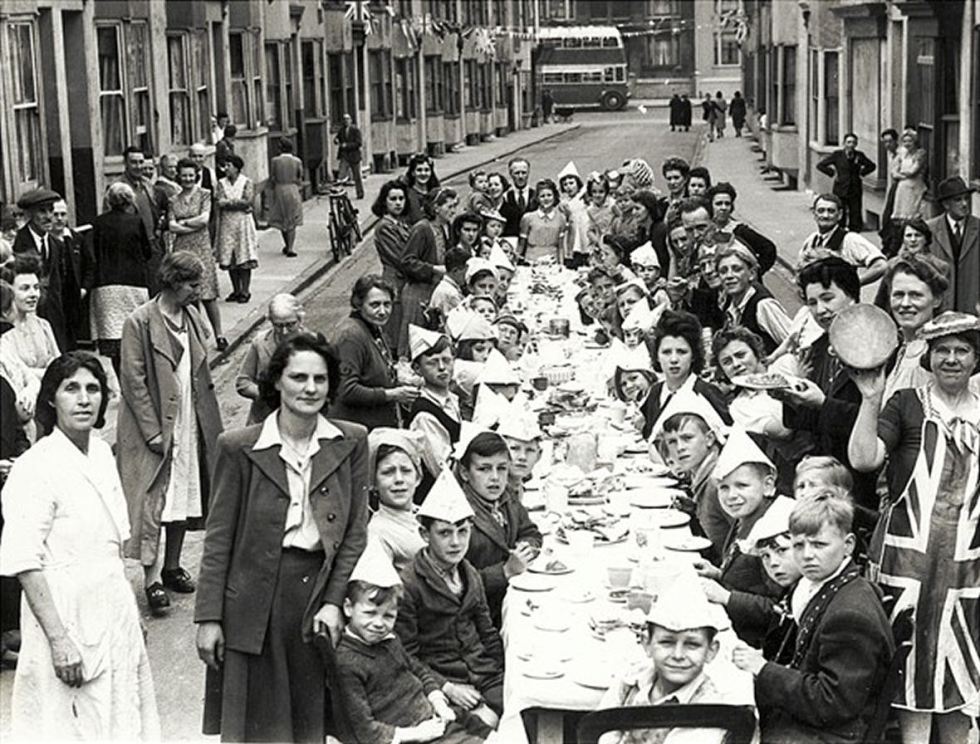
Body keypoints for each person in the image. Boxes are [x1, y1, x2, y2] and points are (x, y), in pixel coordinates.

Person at [195, 332, 369, 743]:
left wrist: (333, 603)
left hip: (315, 597)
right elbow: (218, 539)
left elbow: (355, 533)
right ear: (276, 382)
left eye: (320, 379)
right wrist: (208, 618)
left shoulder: (351, 441)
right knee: (259, 728)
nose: (310, 388)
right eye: (298, 377)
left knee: (312, 722)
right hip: (255, 603)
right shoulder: (238, 447)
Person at [0, 352, 160, 739]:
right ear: (51, 400)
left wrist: (128, 607)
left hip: (111, 606)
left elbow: (112, 542)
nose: (84, 399)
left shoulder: (103, 454)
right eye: (71, 389)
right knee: (69, 724)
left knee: (123, 716)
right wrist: (59, 640)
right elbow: (25, 559)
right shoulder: (34, 466)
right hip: (63, 614)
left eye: (93, 389)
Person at [848, 311, 979, 744]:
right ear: (929, 357)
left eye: (962, 350)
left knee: (962, 679)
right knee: (912, 679)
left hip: (968, 568)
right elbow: (864, 460)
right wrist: (870, 399)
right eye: (942, 350)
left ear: (976, 360)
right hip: (908, 566)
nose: (952, 359)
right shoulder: (906, 404)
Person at [733, 491, 894, 744]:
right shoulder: (830, 585)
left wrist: (764, 670)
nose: (807, 555)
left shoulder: (849, 615)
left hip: (834, 733)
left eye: (819, 544)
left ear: (848, 545)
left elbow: (833, 704)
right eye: (799, 545)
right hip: (820, 717)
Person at [118, 251, 223, 614]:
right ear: (174, 283)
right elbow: (132, 381)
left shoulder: (191, 315)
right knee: (154, 503)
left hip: (189, 421)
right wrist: (150, 432)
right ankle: (150, 579)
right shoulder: (140, 321)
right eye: (194, 285)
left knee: (184, 495)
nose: (199, 291)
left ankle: (173, 565)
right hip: (157, 426)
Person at [335, 543, 489, 743]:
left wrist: (436, 696)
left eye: (389, 616)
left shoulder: (389, 640)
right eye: (370, 613)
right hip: (411, 734)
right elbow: (366, 731)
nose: (379, 624)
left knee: (487, 730)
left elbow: (416, 668)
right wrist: (416, 734)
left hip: (432, 714)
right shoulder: (348, 663)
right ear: (348, 608)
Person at [396, 471, 505, 728]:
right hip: (441, 681)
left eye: (463, 531)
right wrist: (447, 688)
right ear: (425, 535)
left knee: (526, 709)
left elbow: (487, 632)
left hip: (484, 673)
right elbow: (404, 655)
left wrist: (502, 673)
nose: (456, 542)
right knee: (484, 727)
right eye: (445, 533)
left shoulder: (469, 573)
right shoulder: (409, 584)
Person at [778, 256, 878, 514]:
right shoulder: (819, 347)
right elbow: (812, 421)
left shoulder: (876, 347)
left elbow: (877, 419)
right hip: (827, 477)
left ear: (852, 296)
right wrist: (789, 397)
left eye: (827, 298)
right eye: (812, 302)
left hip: (863, 481)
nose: (820, 309)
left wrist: (823, 403)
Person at [596, 579, 738, 744]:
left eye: (692, 645)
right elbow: (602, 731)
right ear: (646, 643)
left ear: (711, 651)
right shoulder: (631, 681)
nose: (678, 655)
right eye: (667, 642)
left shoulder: (709, 711)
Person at [695, 428, 783, 647]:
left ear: (768, 485)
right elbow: (748, 580)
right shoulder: (743, 519)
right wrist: (716, 573)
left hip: (753, 642)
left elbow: (778, 610)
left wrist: (726, 597)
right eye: (724, 488)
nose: (731, 496)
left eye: (742, 486)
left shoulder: (774, 531)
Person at [456, 431, 542, 623]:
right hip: (478, 619)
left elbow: (530, 531)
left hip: (511, 600)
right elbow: (457, 586)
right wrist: (506, 571)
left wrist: (525, 547)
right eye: (484, 469)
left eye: (501, 468)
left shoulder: (506, 498)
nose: (495, 478)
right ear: (464, 473)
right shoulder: (458, 516)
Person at [650, 390, 732, 558]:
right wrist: (694, 510)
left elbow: (745, 540)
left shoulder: (718, 482)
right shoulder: (701, 474)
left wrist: (720, 574)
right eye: (672, 442)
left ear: (709, 439)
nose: (680, 448)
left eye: (687, 438)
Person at [330, 275, 416, 430]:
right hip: (357, 432)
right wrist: (392, 394)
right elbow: (346, 390)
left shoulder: (374, 328)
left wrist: (398, 375)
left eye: (387, 304)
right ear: (358, 304)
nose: (382, 311)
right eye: (375, 305)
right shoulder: (350, 337)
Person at [88, 182, 153, 373]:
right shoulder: (136, 221)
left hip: (106, 286)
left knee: (114, 339)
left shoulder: (98, 223)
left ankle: (121, 378)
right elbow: (146, 252)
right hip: (133, 284)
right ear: (129, 200)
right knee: (136, 335)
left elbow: (93, 254)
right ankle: (136, 379)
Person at [640, 309, 731, 440]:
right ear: (657, 356)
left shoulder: (706, 392)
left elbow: (727, 439)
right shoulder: (655, 391)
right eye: (666, 352)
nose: (673, 359)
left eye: (682, 352)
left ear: (693, 356)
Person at [170, 157, 225, 350]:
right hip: (182, 247)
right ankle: (197, 337)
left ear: (196, 176)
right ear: (179, 176)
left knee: (207, 293)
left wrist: (183, 223)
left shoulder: (205, 194)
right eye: (184, 175)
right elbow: (171, 225)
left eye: (191, 175)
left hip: (201, 247)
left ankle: (219, 335)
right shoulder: (173, 199)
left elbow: (204, 219)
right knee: (188, 295)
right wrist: (187, 225)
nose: (187, 179)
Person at [878, 253, 949, 401]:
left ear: (936, 299)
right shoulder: (894, 348)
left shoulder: (940, 352)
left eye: (915, 295)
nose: (905, 304)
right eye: (898, 295)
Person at [407, 326, 462, 501]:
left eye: (447, 360)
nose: (442, 368)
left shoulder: (452, 399)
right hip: (441, 499)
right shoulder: (424, 415)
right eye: (432, 362)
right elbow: (443, 471)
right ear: (417, 368)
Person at [12, 187, 71, 350]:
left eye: (50, 211)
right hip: (29, 313)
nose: (48, 217)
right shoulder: (19, 243)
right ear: (30, 214)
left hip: (54, 315)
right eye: (42, 211)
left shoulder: (56, 244)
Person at [103, 147, 166, 296]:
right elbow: (109, 218)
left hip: (152, 246)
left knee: (156, 290)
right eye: (133, 162)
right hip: (130, 248)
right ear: (125, 163)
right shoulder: (116, 187)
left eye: (140, 162)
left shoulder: (147, 185)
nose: (138, 166)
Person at [236, 293, 306, 425]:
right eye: (278, 325)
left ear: (300, 319)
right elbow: (243, 382)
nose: (284, 331)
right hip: (264, 419)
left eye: (290, 324)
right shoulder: (260, 342)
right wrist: (266, 396)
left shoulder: (313, 343)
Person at [367, 428, 426, 571]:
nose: (399, 479)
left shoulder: (427, 514)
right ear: (374, 482)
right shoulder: (378, 532)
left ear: (418, 477)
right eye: (388, 472)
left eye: (406, 471)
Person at [715, 244, 792, 354]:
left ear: (751, 274)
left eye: (737, 269)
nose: (729, 276)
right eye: (723, 271)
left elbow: (793, 342)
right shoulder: (730, 305)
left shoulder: (763, 305)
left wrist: (772, 360)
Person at [798, 193, 887, 285]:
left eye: (831, 211)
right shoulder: (811, 240)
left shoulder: (850, 239)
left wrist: (855, 284)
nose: (825, 215)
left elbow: (880, 265)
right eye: (821, 211)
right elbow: (799, 268)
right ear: (814, 214)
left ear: (840, 215)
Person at [0, 256, 61, 381]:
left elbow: (60, 364)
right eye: (25, 288)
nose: (33, 294)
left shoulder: (43, 325)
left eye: (36, 287)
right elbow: (15, 373)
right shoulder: (4, 331)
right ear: (9, 291)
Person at [924, 176, 979, 314]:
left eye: (966, 198)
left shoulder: (978, 227)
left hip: (971, 304)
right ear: (946, 204)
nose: (964, 204)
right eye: (958, 200)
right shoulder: (930, 229)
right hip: (940, 306)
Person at [371, 180, 413, 351]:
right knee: (394, 326)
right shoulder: (384, 227)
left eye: (401, 199)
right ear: (384, 202)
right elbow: (401, 257)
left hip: (403, 280)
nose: (398, 203)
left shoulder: (400, 223)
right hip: (395, 280)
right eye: (393, 199)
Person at [49, 198, 94, 351]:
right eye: (55, 214)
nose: (59, 218)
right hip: (53, 297)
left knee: (72, 335)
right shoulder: (45, 241)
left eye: (63, 214)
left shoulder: (76, 239)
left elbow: (90, 266)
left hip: (72, 297)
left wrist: (84, 289)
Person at [215, 154, 259, 303]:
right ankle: (236, 289)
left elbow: (247, 201)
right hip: (227, 223)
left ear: (237, 168)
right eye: (225, 166)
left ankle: (245, 290)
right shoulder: (221, 183)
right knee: (230, 256)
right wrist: (235, 203)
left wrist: (229, 203)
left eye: (229, 166)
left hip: (243, 223)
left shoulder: (246, 182)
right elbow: (219, 200)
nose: (226, 169)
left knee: (244, 255)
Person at [707, 182, 777, 275]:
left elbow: (769, 249)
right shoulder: (705, 230)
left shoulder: (740, 231)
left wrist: (754, 272)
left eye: (727, 204)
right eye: (718, 204)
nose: (723, 208)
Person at [816, 133, 876, 232]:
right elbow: (821, 165)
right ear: (844, 143)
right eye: (848, 142)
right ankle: (839, 233)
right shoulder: (838, 155)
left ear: (856, 144)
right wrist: (832, 173)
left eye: (853, 142)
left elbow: (872, 166)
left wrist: (862, 173)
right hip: (840, 189)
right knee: (840, 213)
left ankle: (854, 234)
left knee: (855, 214)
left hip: (854, 189)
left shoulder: (859, 156)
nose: (851, 145)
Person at [267, 139, 305, 258]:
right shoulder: (297, 161)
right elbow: (300, 176)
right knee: (292, 219)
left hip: (279, 189)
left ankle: (286, 244)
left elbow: (272, 177)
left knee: (282, 218)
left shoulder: (275, 161)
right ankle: (290, 247)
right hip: (293, 189)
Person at [519, 179, 566, 263]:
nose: (546, 199)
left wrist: (561, 265)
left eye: (549, 195)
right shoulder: (528, 218)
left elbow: (561, 247)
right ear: (537, 198)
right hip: (531, 260)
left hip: (552, 261)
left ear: (554, 197)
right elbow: (521, 245)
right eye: (542, 196)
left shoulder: (561, 218)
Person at [889, 128, 928, 227]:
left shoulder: (920, 154)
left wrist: (901, 173)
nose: (907, 144)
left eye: (910, 141)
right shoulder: (903, 154)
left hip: (914, 187)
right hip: (902, 188)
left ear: (915, 141)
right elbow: (893, 171)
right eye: (904, 141)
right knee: (901, 216)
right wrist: (900, 174)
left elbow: (913, 171)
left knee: (912, 214)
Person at [878, 128, 903, 256]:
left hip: (901, 189)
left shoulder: (901, 154)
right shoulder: (890, 154)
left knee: (894, 219)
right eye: (885, 142)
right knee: (886, 218)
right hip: (892, 189)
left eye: (890, 141)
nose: (887, 145)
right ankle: (886, 245)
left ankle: (892, 248)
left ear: (896, 141)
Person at [499, 158, 537, 238]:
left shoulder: (536, 195)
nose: (520, 176)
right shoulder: (505, 197)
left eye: (524, 173)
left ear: (528, 173)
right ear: (510, 174)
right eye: (517, 173)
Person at [401, 154, 441, 226]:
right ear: (413, 173)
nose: (423, 173)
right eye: (419, 170)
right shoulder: (409, 195)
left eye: (426, 170)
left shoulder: (436, 192)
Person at [335, 113, 364, 199]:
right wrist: (336, 140)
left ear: (351, 120)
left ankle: (360, 193)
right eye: (344, 120)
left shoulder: (355, 130)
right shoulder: (342, 130)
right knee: (341, 175)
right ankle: (339, 193)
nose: (346, 121)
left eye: (347, 119)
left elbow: (358, 143)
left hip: (354, 156)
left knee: (357, 176)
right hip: (345, 156)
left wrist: (347, 145)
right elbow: (337, 138)